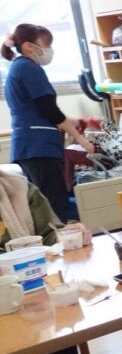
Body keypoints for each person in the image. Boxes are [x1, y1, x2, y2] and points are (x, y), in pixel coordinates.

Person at [0, 169, 90, 354]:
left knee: (58, 335)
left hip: (26, 295)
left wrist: (71, 235)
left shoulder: (17, 188)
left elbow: (51, 233)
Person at [2, 24, 94, 222]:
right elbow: (49, 110)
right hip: (37, 147)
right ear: (28, 46)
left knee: (45, 205)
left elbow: (41, 110)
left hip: (31, 146)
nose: (49, 50)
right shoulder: (28, 68)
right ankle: (62, 239)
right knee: (54, 207)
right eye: (46, 44)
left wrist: (79, 121)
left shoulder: (19, 67)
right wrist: (80, 139)